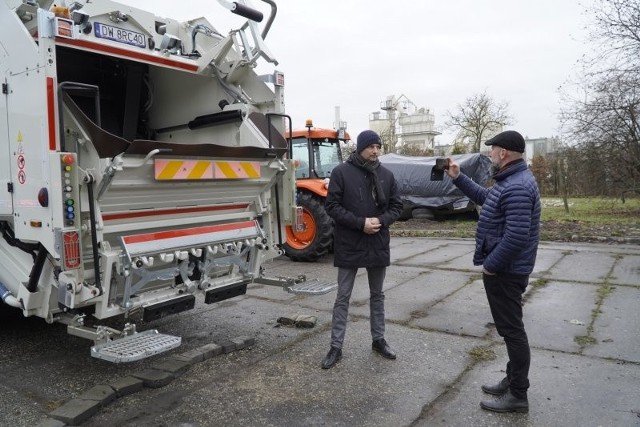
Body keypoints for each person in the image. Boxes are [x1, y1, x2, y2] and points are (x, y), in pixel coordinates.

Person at [445, 130, 541, 413]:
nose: (490, 154)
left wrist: (491, 266)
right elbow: (487, 198)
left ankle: (518, 395)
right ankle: (513, 380)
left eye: (493, 149)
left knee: (513, 331)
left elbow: (516, 237)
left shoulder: (518, 186)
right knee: (510, 329)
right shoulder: (510, 180)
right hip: (506, 269)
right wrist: (457, 176)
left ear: (504, 153)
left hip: (507, 271)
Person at [321, 130, 403, 370]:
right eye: (371, 146)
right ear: (360, 148)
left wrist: (382, 220)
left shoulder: (386, 175)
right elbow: (332, 206)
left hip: (377, 242)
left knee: (377, 295)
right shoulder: (341, 173)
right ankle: (336, 347)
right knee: (343, 297)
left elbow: (397, 205)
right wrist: (360, 223)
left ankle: (379, 340)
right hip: (350, 243)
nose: (375, 151)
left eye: (378, 146)